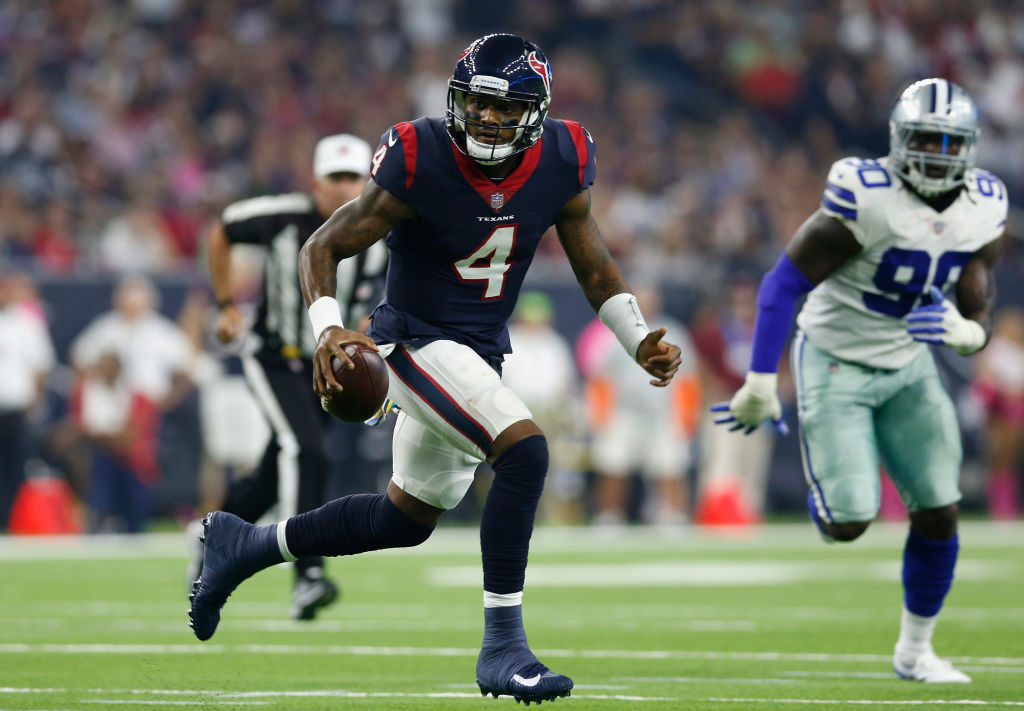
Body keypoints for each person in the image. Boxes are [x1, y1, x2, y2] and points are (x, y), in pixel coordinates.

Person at [188, 34, 682, 704]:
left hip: (479, 350)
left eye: (505, 109)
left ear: (536, 114)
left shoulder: (563, 155)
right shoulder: (419, 154)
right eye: (477, 103)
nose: (488, 118)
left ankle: (245, 545)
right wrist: (328, 328)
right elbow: (321, 246)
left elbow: (593, 265)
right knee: (525, 452)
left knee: (405, 519)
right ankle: (503, 647)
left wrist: (637, 337)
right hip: (414, 342)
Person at [711, 79, 1005, 683]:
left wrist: (970, 332)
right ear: (898, 139)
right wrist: (760, 380)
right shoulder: (866, 194)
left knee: (941, 508)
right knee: (849, 523)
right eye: (925, 139)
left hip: (909, 363)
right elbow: (783, 281)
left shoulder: (985, 203)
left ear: (970, 147)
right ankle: (835, 478)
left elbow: (977, 282)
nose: (937, 155)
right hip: (835, 357)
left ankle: (915, 651)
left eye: (950, 143)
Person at [188, 133, 385, 621]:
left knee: (275, 473)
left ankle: (213, 538)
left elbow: (367, 299)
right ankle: (308, 573)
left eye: (353, 177)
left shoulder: (378, 233)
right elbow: (221, 229)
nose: (344, 187)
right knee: (306, 450)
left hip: (329, 369)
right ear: (316, 181)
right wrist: (225, 303)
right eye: (335, 177)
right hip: (275, 356)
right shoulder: (281, 215)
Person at [586, 282, 700, 528]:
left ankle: (671, 515)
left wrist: (687, 416)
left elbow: (689, 379)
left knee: (670, 465)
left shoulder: (675, 333)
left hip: (664, 411)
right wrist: (600, 416)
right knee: (613, 464)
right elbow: (601, 379)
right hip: (623, 411)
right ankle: (609, 516)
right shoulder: (614, 334)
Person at [0, 271, 55, 531]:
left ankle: (12, 522)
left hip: (16, 408)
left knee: (16, 469)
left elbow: (41, 366)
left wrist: (35, 403)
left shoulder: (27, 322)